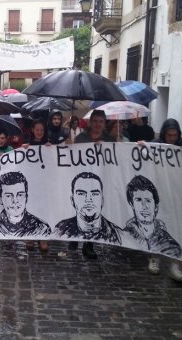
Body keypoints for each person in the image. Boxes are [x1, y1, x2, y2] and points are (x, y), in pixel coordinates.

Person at [138, 118, 182, 279]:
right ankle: (154, 258)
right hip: (159, 192)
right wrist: (141, 147)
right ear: (164, 133)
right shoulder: (155, 144)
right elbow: (145, 158)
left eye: (175, 135)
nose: (172, 138)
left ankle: (175, 263)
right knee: (156, 226)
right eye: (169, 135)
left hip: (177, 193)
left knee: (176, 229)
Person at [122, 175, 182, 282]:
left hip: (167, 178)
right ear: (131, 204)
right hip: (154, 173)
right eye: (138, 200)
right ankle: (154, 258)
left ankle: (175, 264)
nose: (144, 206)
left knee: (173, 220)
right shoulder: (127, 231)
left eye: (148, 201)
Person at [71, 110, 116, 258]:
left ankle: (88, 244)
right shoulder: (80, 138)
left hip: (99, 180)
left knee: (93, 212)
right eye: (95, 121)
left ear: (104, 124)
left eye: (101, 122)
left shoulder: (110, 139)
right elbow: (70, 156)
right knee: (76, 208)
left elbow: (118, 157)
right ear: (91, 122)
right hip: (80, 179)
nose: (98, 124)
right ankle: (74, 236)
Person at [54, 172, 122, 259]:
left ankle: (88, 244)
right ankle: (74, 237)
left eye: (94, 194)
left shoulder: (117, 233)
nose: (88, 200)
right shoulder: (59, 228)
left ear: (102, 200)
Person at [0, 172, 51, 240]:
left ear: (26, 197)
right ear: (0, 199)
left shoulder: (41, 228)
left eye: (20, 195)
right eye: (8, 196)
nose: (15, 200)